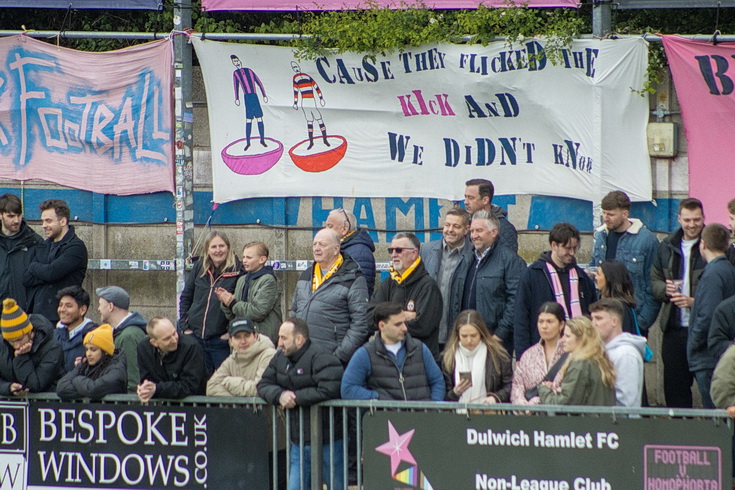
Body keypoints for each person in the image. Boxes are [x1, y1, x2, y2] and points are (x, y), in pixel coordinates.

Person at [257, 318, 344, 490]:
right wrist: (279, 395)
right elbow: (263, 384)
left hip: (328, 440)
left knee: (336, 486)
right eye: (279, 337)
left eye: (284, 338)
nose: (279, 342)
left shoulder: (322, 356)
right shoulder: (280, 357)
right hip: (298, 441)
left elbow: (330, 388)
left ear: (299, 339)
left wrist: (295, 398)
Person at [651, 198, 706, 407]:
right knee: (674, 388)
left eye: (697, 220)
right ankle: (681, 434)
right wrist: (664, 290)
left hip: (704, 329)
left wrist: (695, 302)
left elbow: (723, 287)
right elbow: (653, 279)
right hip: (673, 327)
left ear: (703, 218)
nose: (692, 225)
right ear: (679, 219)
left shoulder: (714, 244)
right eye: (687, 220)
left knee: (709, 388)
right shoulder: (666, 246)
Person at [449, 210, 526, 355]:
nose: (474, 236)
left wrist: (499, 335)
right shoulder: (467, 258)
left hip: (494, 341)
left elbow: (516, 301)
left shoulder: (510, 261)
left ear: (494, 232)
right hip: (466, 338)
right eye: (472, 231)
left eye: (479, 230)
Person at [514, 223, 597, 357]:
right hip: (542, 351)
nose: (572, 253)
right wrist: (522, 356)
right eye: (567, 248)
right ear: (554, 246)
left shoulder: (583, 278)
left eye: (575, 248)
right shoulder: (532, 275)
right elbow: (521, 318)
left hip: (579, 351)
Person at [290, 228, 369, 365]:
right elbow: (294, 311)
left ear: (336, 249)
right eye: (314, 244)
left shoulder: (352, 277)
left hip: (333, 360)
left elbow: (360, 324)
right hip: (302, 357)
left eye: (322, 245)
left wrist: (337, 357)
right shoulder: (306, 274)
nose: (316, 249)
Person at [341, 302, 445, 401]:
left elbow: (437, 381)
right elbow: (348, 389)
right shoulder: (365, 354)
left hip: (422, 417)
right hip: (387, 418)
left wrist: (434, 407)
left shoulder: (420, 349)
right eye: (398, 324)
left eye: (404, 322)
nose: (404, 328)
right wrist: (378, 398)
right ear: (382, 326)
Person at [589, 191, 659, 333]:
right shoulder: (601, 236)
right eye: (604, 213)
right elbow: (594, 269)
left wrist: (640, 323)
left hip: (632, 318)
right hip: (602, 319)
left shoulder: (646, 240)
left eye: (611, 214)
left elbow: (652, 286)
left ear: (625, 214)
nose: (606, 218)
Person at [179, 230, 242, 375]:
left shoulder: (238, 271)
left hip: (220, 340)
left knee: (224, 383)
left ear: (228, 247)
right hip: (195, 337)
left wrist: (229, 333)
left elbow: (241, 305)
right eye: (214, 247)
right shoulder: (200, 267)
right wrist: (184, 327)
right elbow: (186, 297)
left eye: (222, 246)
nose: (218, 250)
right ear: (207, 249)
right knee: (198, 382)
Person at [370, 232, 442, 356]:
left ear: (414, 253)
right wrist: (403, 315)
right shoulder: (388, 283)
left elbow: (423, 327)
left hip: (419, 360)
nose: (393, 255)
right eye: (391, 250)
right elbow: (369, 317)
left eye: (398, 250)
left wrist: (385, 320)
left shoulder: (428, 286)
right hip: (389, 359)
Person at [687, 224, 735, 408]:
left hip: (707, 357)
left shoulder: (713, 274)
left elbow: (707, 315)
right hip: (720, 353)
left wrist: (693, 344)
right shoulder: (728, 269)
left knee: (715, 418)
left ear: (703, 244)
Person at [23, 199, 88, 324]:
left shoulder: (75, 247)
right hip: (35, 315)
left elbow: (51, 273)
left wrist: (35, 267)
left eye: (48, 221)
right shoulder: (44, 245)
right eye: (42, 221)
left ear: (63, 221)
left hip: (60, 318)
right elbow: (26, 278)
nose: (43, 225)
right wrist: (45, 272)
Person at [420, 207, 472, 350]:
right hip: (429, 332)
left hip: (457, 332)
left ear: (466, 229)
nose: (450, 230)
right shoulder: (426, 250)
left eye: (456, 226)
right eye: (447, 225)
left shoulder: (472, 255)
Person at [538, 316, 616, 406]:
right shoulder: (600, 359)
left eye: (567, 336)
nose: (562, 340)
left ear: (581, 339)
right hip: (602, 419)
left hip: (587, 419)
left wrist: (544, 390)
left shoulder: (580, 364)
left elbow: (564, 404)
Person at [218, 241, 282, 344]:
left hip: (261, 340)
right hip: (241, 338)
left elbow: (258, 312)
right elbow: (233, 315)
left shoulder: (268, 280)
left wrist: (232, 303)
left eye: (249, 257)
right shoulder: (242, 280)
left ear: (262, 259)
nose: (244, 261)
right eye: (243, 257)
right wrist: (225, 302)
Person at [442, 309, 512, 404]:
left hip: (489, 413)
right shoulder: (448, 358)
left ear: (481, 334)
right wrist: (455, 393)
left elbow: (510, 385)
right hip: (457, 414)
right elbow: (443, 393)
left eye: (473, 335)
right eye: (464, 336)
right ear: (458, 335)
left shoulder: (498, 355)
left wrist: (495, 398)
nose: (469, 340)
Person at [0, 298, 63, 396]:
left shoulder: (52, 348)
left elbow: (35, 385)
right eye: (11, 341)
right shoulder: (2, 344)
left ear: (29, 332)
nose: (16, 345)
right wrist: (8, 387)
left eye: (19, 339)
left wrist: (21, 358)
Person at [590, 298, 646, 408]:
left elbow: (626, 401)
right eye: (592, 319)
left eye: (598, 318)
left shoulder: (626, 354)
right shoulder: (601, 349)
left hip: (620, 423)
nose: (593, 324)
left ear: (614, 321)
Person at [137, 317, 207, 402]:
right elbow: (146, 379)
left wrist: (157, 389)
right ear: (154, 342)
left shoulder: (191, 347)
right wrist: (145, 389)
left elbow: (189, 386)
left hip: (193, 407)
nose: (174, 340)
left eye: (174, 333)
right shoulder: (143, 348)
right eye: (167, 339)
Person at [511, 302, 567, 405]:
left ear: (561, 324)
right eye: (541, 321)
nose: (544, 326)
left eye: (549, 321)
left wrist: (537, 401)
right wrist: (521, 404)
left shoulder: (570, 353)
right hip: (531, 417)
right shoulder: (528, 355)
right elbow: (517, 385)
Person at [207, 317, 276, 397]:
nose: (243, 341)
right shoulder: (231, 359)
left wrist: (230, 383)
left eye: (247, 336)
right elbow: (211, 387)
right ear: (231, 341)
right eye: (237, 337)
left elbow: (260, 388)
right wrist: (237, 404)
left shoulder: (268, 355)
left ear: (255, 336)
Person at [96, 286, 147, 392]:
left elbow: (132, 380)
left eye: (100, 304)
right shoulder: (125, 333)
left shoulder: (128, 336)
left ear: (110, 306)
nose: (98, 309)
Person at [56, 324, 127, 400]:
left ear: (105, 351)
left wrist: (77, 379)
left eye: (93, 349)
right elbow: (61, 387)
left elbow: (93, 390)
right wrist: (84, 391)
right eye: (87, 349)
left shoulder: (117, 369)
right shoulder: (84, 365)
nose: (88, 354)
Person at [0, 193, 43, 310]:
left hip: (22, 313)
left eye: (19, 215)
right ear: (1, 215)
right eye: (11, 216)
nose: (16, 220)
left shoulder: (34, 242)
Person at [325, 208, 376, 295]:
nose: (325, 230)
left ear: (345, 229)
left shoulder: (359, 253)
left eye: (330, 226)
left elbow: (359, 291)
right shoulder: (344, 248)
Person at [464, 178, 518, 253]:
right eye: (465, 197)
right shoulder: (465, 224)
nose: (466, 202)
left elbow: (507, 261)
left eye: (471, 198)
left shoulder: (504, 228)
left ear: (485, 200)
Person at [54, 286, 96, 373]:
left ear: (82, 310)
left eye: (68, 306)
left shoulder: (94, 336)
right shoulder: (55, 335)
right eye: (60, 305)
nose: (62, 310)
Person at [231, 54, 268, 150]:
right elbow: (236, 86)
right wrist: (237, 98)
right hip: (247, 97)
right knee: (249, 119)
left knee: (259, 118)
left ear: (240, 61)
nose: (236, 63)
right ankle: (248, 142)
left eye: (237, 61)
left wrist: (264, 95)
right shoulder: (236, 73)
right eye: (234, 62)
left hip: (254, 96)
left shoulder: (249, 71)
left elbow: (259, 82)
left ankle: (262, 140)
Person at [292, 60, 330, 150]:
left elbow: (316, 86)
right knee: (309, 121)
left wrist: (321, 98)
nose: (296, 69)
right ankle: (311, 142)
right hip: (304, 101)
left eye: (296, 67)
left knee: (319, 119)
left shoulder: (307, 76)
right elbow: (295, 91)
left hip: (312, 101)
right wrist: (295, 102)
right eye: (294, 68)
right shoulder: (295, 78)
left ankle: (325, 140)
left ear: (299, 67)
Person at [596, 260, 639, 335]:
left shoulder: (621, 309)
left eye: (599, 274)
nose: (596, 277)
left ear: (609, 279)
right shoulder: (604, 301)